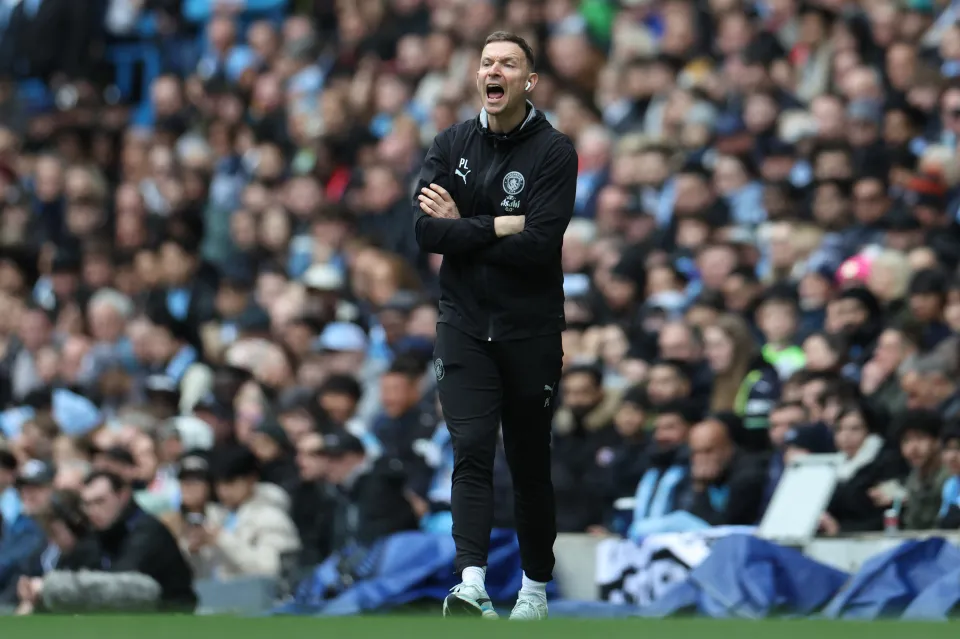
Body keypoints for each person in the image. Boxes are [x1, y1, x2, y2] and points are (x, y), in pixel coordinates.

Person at [413, 31, 578, 620]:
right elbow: (428, 233)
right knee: (472, 450)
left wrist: (468, 227)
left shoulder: (554, 152)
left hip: (528, 330)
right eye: (487, 62)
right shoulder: (451, 142)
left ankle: (534, 591)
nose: (495, 70)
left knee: (530, 461)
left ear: (528, 81)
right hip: (462, 325)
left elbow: (539, 246)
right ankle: (473, 583)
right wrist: (499, 225)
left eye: (508, 63)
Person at [79, 471, 197, 611]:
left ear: (123, 496)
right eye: (87, 504)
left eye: (100, 501)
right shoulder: (100, 535)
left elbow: (119, 582)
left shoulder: (148, 531)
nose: (93, 511)